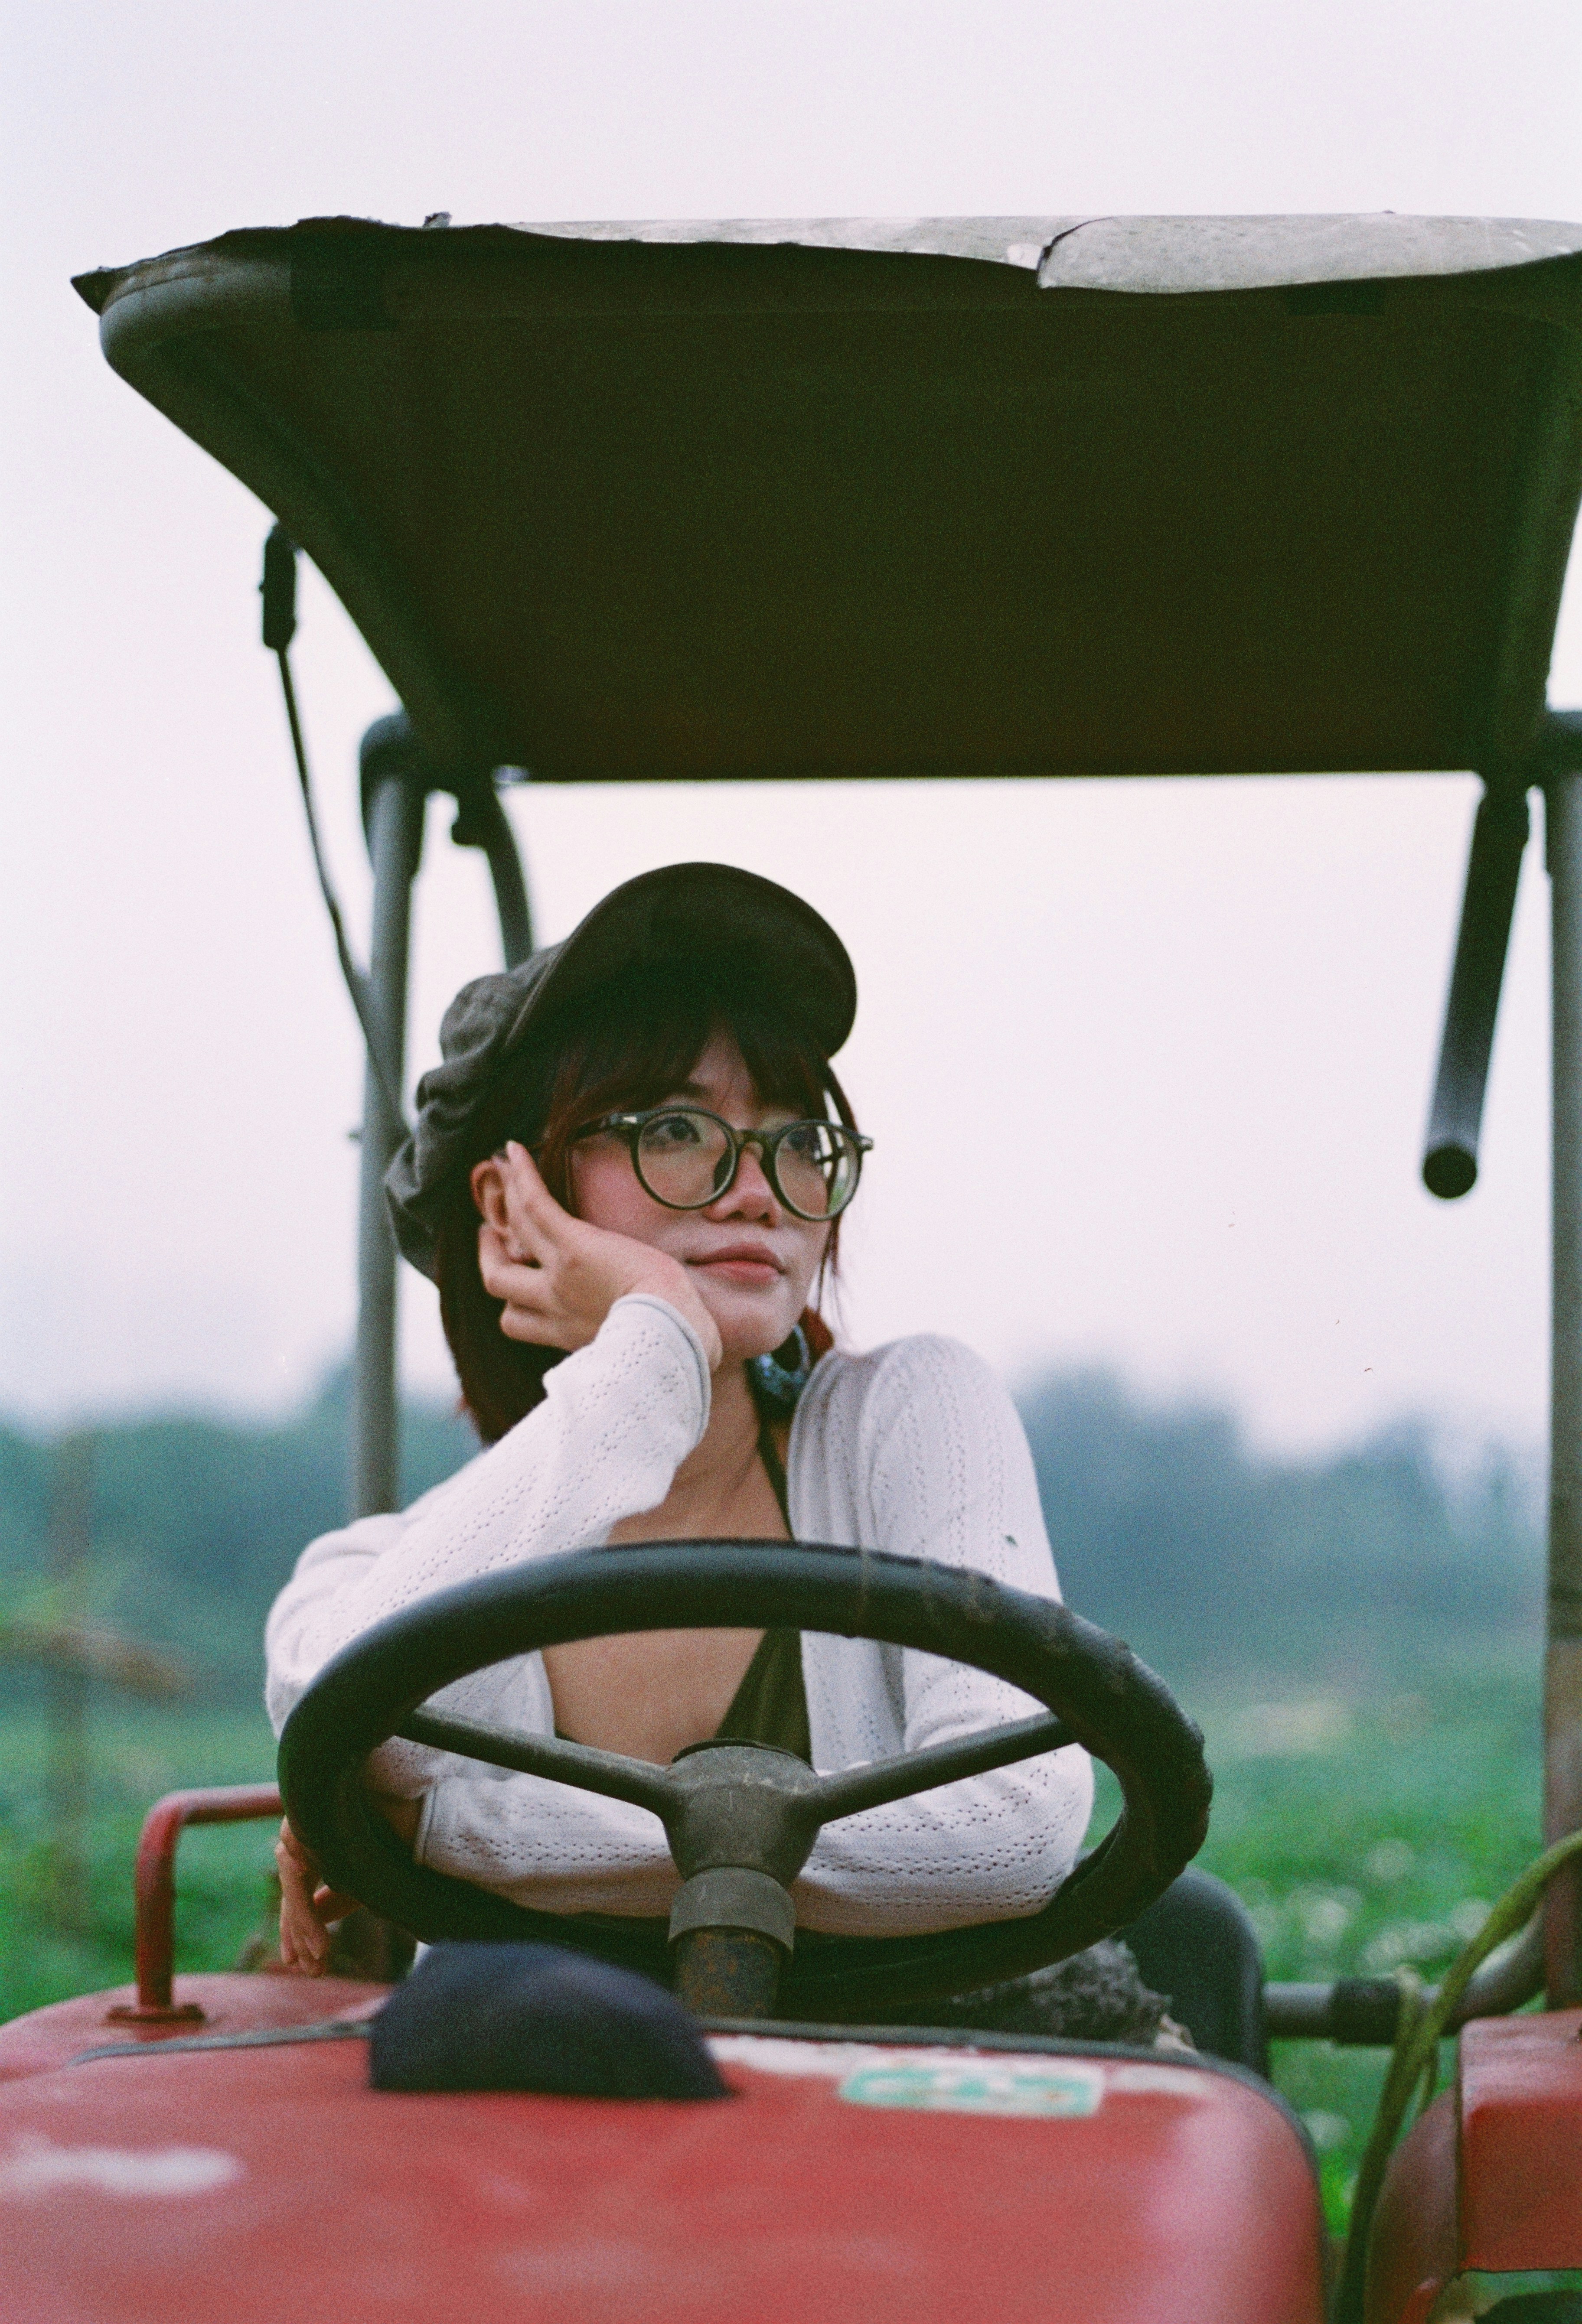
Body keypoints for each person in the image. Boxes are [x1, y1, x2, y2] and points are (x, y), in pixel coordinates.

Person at [265, 862, 1095, 1982]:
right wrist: (651, 1348)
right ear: (510, 1202)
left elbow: (1011, 1830)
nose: (758, 1189)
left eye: (798, 1140)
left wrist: (456, 1834)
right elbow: (346, 1718)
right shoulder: (374, 1574)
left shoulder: (907, 1418)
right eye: (674, 1129)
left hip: (916, 2075)